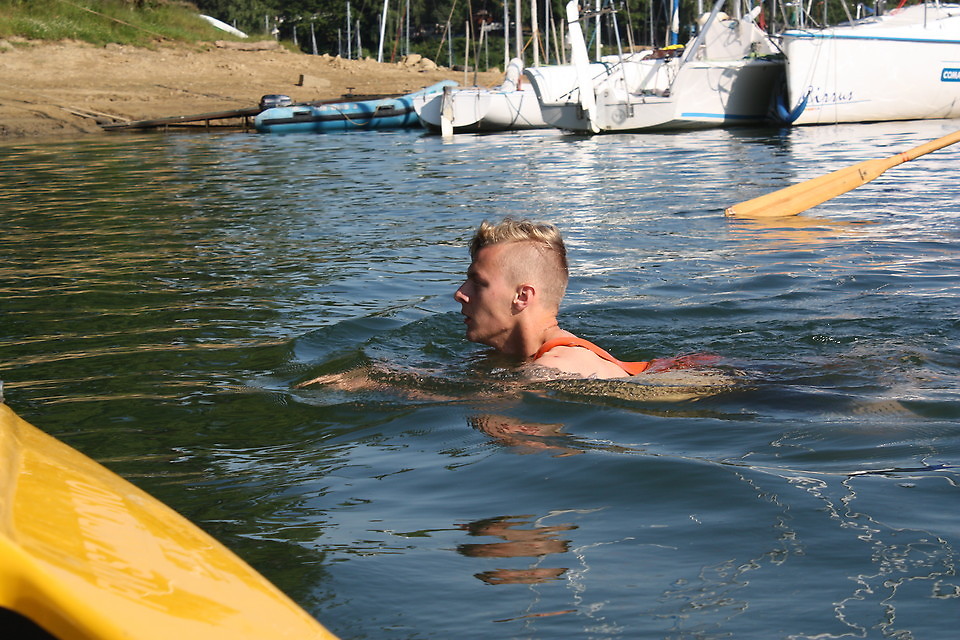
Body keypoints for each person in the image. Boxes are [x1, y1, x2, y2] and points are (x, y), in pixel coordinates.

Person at [453, 217, 655, 379]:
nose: (460, 294)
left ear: (522, 296)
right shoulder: (507, 357)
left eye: (478, 282)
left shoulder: (557, 367)